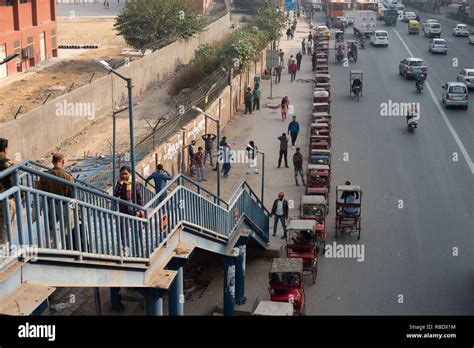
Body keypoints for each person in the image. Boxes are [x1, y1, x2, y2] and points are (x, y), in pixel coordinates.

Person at [37, 153, 77, 249]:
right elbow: (73, 195)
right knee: (67, 229)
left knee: (52, 228)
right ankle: (68, 248)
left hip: (51, 206)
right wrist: (77, 209)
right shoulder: (68, 177)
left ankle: (52, 248)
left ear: (52, 162)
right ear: (63, 162)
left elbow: (39, 191)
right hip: (65, 206)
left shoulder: (44, 176)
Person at [0, 138, 16, 248]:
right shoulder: (7, 163)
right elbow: (12, 181)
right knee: (7, 225)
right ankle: (5, 251)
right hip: (7, 198)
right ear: (5, 149)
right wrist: (21, 195)